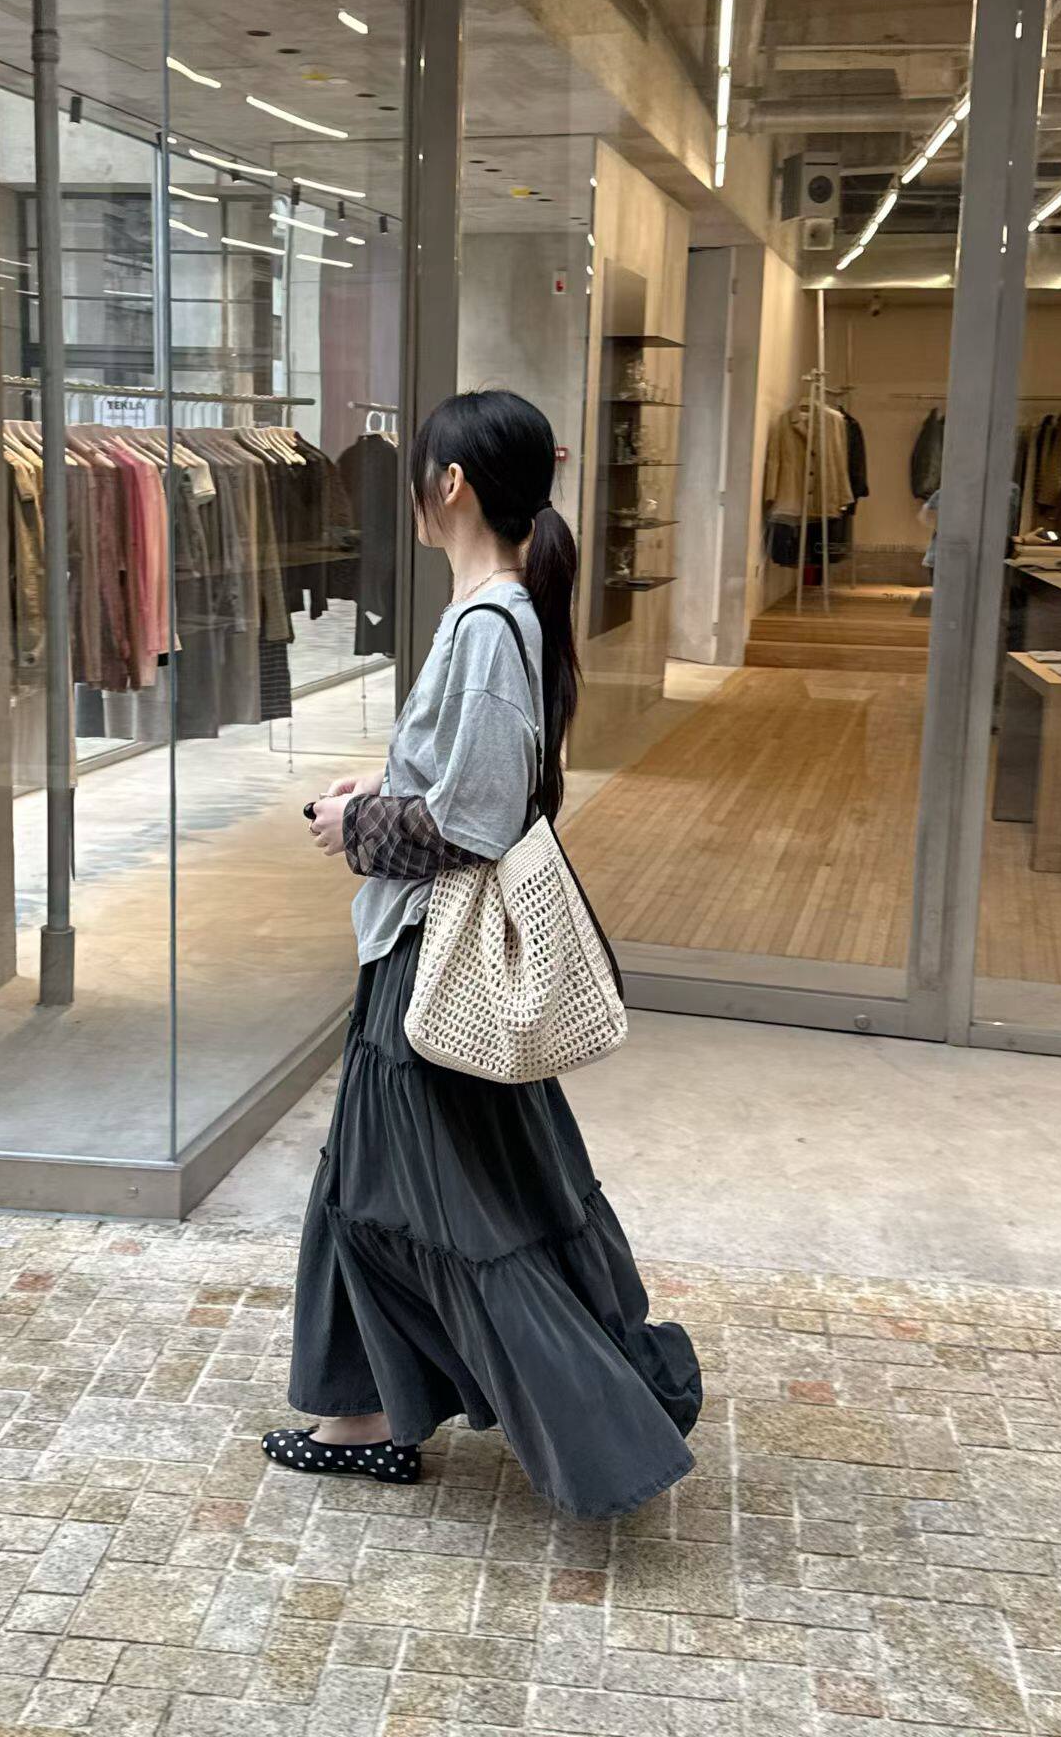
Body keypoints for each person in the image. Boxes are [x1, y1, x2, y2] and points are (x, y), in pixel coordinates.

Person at [261, 389, 702, 1518]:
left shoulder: (490, 624)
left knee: (418, 1205)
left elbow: (483, 818)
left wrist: (355, 825)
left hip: (433, 960)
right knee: (407, 1192)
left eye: (420, 471)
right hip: (430, 956)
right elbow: (470, 777)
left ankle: (603, 1435)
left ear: (449, 484)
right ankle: (366, 1417)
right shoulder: (492, 614)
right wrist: (387, 780)